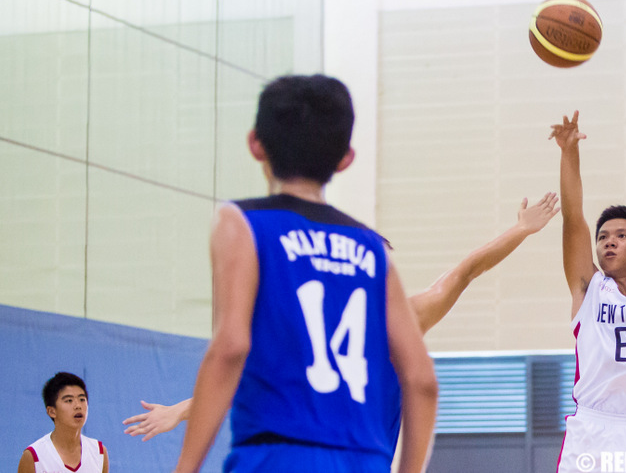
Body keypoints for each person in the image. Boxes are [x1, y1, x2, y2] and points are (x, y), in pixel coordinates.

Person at [124, 192, 561, 442]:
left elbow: (467, 270)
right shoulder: (313, 323)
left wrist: (521, 229)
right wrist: (179, 412)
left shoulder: (407, 316)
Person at [173, 74, 439, 473]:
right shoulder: (373, 249)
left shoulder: (241, 223)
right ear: (346, 157)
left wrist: (185, 468)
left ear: (255, 144)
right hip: (364, 460)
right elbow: (421, 381)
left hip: (277, 454)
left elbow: (230, 347)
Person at [549, 106, 626, 473]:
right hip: (588, 428)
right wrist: (568, 151)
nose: (609, 242)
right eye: (603, 237)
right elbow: (573, 219)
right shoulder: (588, 289)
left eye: (622, 236)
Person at [18, 372, 109, 473]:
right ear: (52, 411)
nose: (78, 406)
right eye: (69, 400)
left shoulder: (99, 452)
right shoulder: (34, 456)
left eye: (82, 399)